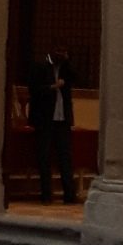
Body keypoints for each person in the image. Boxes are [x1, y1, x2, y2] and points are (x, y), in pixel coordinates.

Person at [27, 49, 76, 205]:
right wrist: (53, 87)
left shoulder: (65, 69)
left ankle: (69, 195)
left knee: (65, 157)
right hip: (45, 119)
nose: (62, 55)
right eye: (60, 52)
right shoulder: (40, 66)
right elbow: (34, 90)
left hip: (62, 119)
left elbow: (78, 78)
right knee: (44, 157)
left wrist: (68, 63)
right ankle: (46, 194)